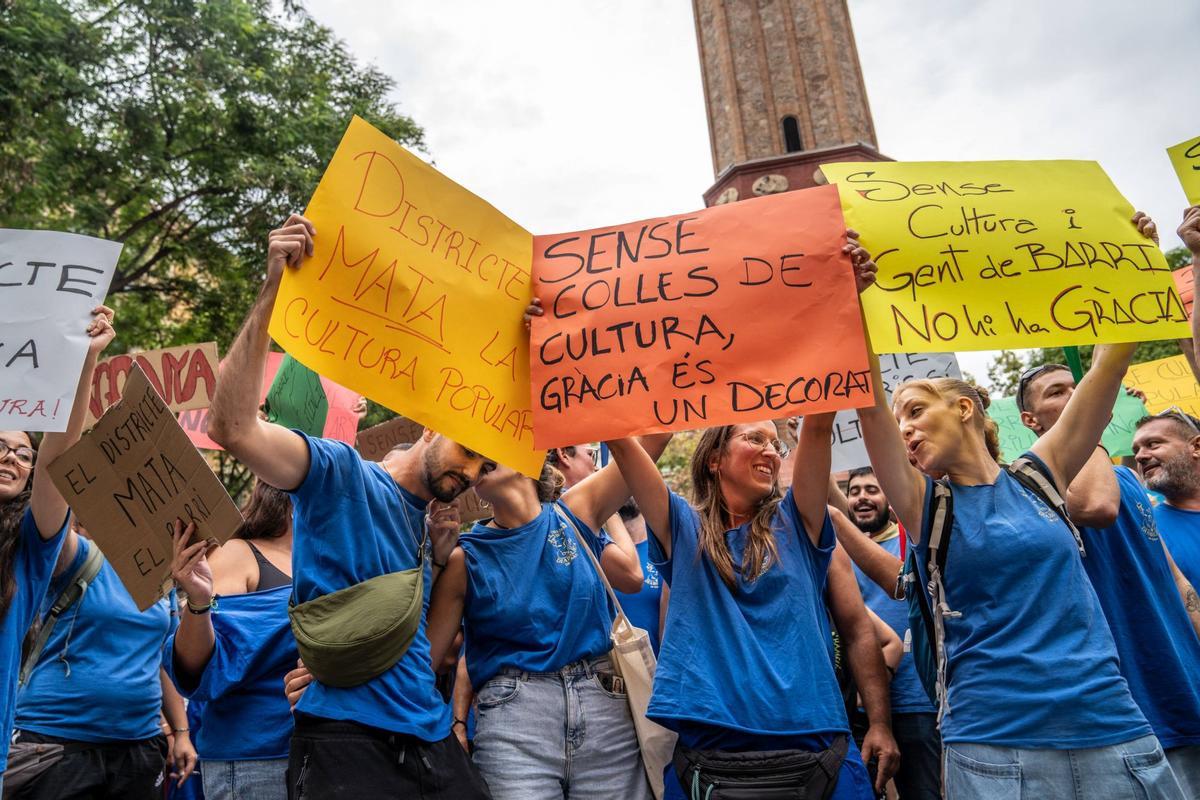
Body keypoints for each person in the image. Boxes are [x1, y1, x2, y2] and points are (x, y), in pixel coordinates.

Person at [854, 211, 1181, 799]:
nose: (903, 428)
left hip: (1112, 728)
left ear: (964, 409)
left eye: (915, 411)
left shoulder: (1038, 477)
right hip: (995, 747)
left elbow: (1110, 364)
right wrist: (852, 302)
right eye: (899, 418)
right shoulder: (926, 503)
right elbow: (868, 406)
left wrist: (1138, 263)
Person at [207, 214, 493, 799]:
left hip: (430, 736)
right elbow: (233, 428)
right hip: (345, 741)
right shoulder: (339, 473)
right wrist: (271, 289)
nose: (471, 474)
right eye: (470, 452)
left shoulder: (434, 528)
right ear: (435, 424)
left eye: (486, 467)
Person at [426, 439, 666, 800]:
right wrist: (434, 562)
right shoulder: (464, 558)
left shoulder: (576, 510)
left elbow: (655, 437)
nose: (480, 457)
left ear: (531, 453)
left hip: (605, 717)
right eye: (471, 454)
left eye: (489, 442)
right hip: (514, 725)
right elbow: (426, 658)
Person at [1020, 365, 1200, 796]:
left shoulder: (1126, 478)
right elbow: (1096, 506)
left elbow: (1174, 580)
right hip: (1133, 706)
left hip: (1183, 686)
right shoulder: (1030, 482)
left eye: (1079, 386)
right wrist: (1090, 424)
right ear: (1030, 420)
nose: (1076, 393)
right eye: (1057, 392)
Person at [0, 306, 115, 795]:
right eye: (0, 446)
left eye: (22, 453)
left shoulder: (30, 543)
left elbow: (58, 457)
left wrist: (82, 362)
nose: (12, 457)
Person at [10, 514, 192, 799]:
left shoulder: (162, 574)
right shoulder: (77, 555)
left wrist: (181, 732)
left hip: (138, 747)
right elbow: (49, 517)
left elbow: (160, 657)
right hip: (59, 743)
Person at [167, 479, 298, 800]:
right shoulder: (238, 553)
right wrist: (199, 603)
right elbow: (203, 668)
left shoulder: (326, 561)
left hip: (314, 750)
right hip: (253, 760)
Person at [832, 468, 941, 800]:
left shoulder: (908, 543)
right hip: (864, 705)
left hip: (915, 698)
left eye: (872, 489)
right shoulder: (844, 550)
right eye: (854, 491)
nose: (862, 497)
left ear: (889, 500)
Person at [1133, 410, 1200, 603]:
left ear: (1196, 447)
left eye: (1152, 444)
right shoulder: (1147, 530)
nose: (1139, 456)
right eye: (1135, 450)